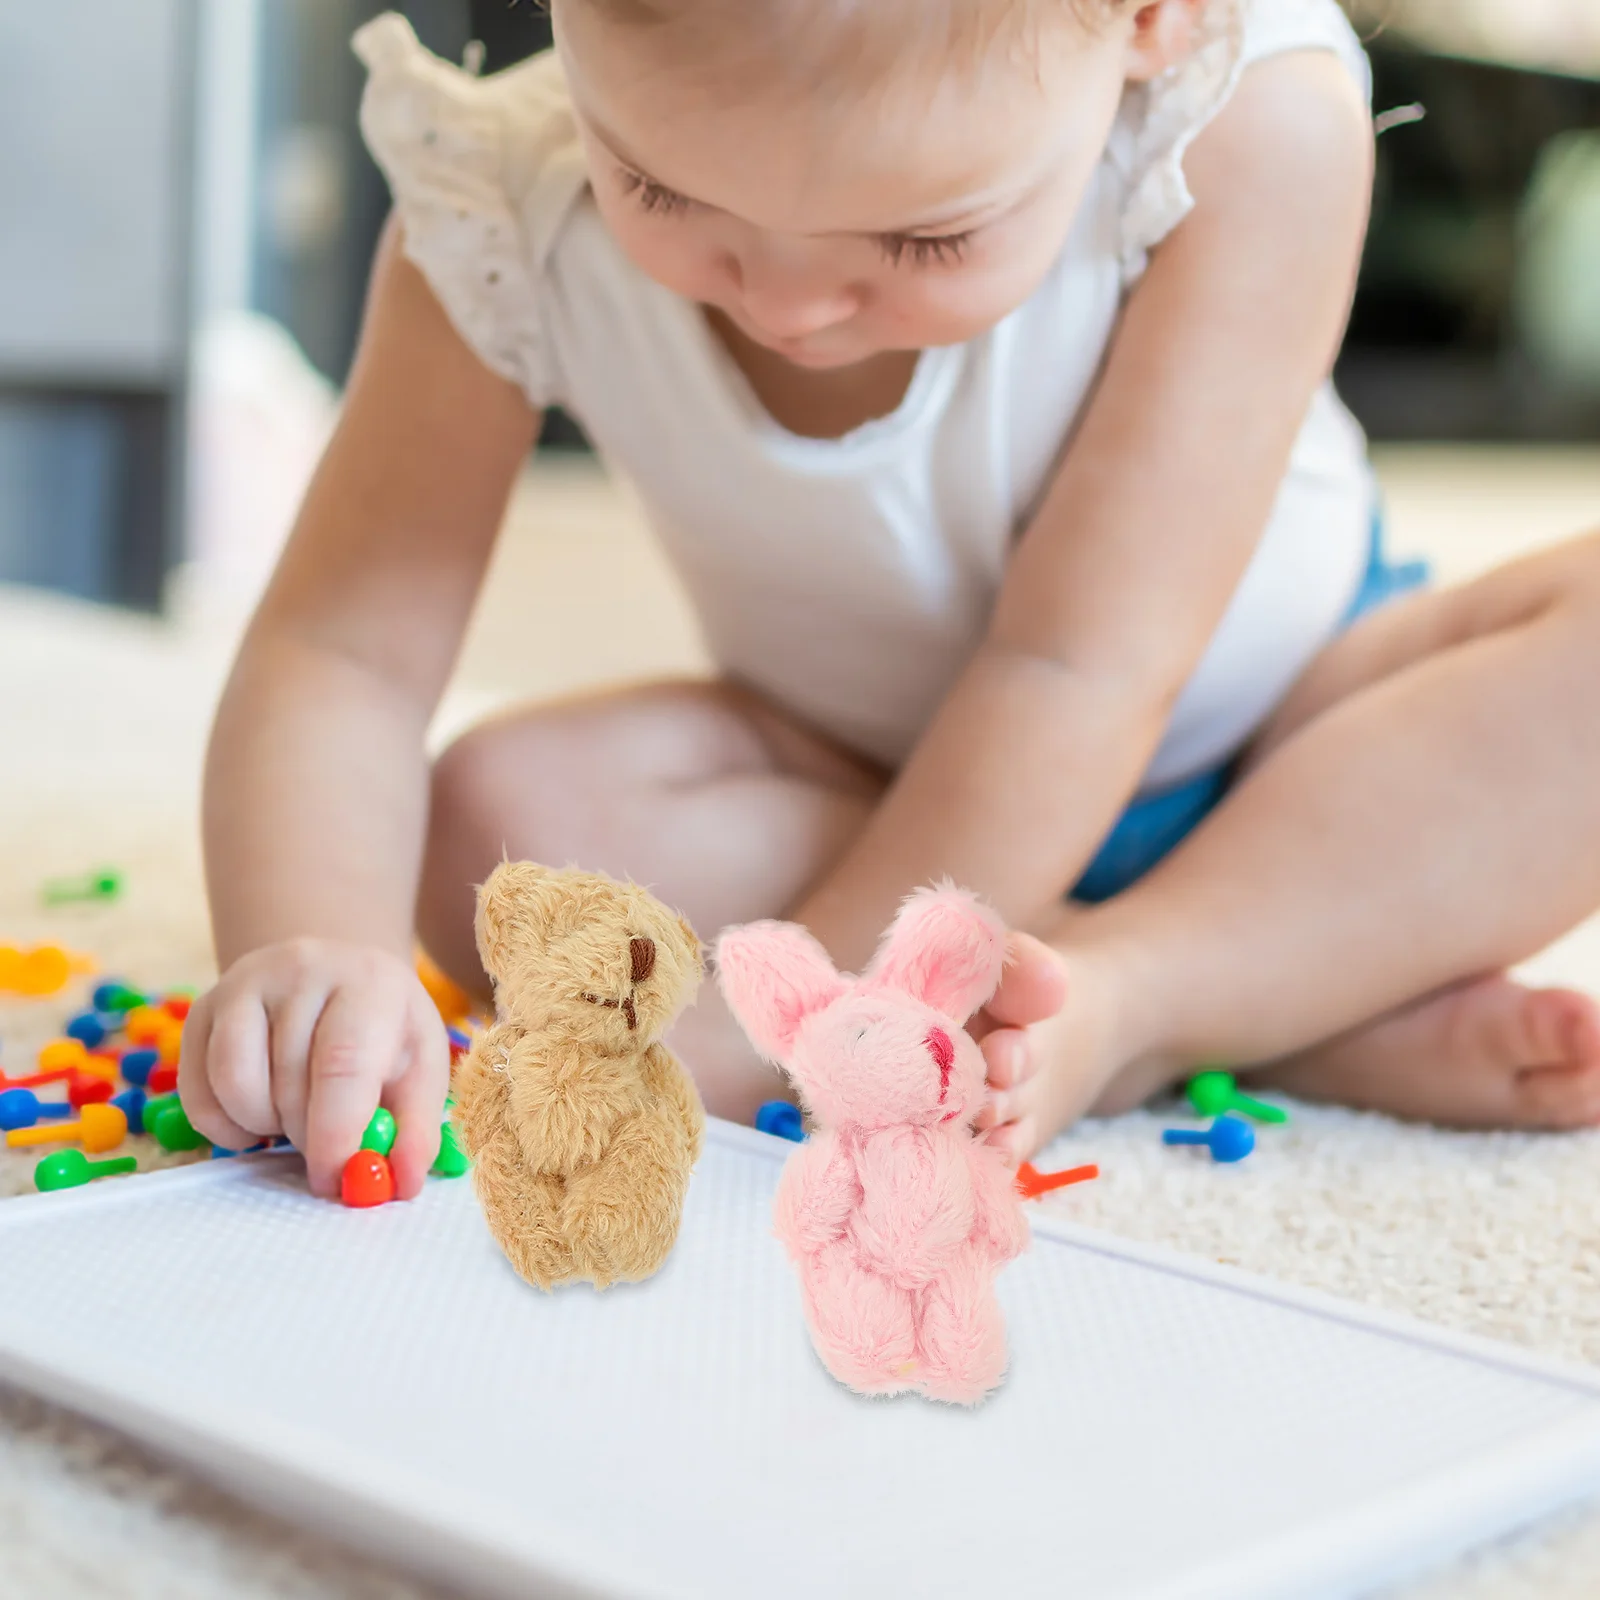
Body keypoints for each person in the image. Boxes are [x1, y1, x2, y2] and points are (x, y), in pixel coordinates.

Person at [180, 0, 1600, 1200]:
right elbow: (341, 651)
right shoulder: (499, 205)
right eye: (663, 190)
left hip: (1299, 735)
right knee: (497, 829)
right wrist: (316, 944)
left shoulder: (1248, 121)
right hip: (867, 780)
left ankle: (1142, 993)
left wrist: (772, 1030)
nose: (787, 305)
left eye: (923, 241)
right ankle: (1287, 990)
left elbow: (1077, 667)